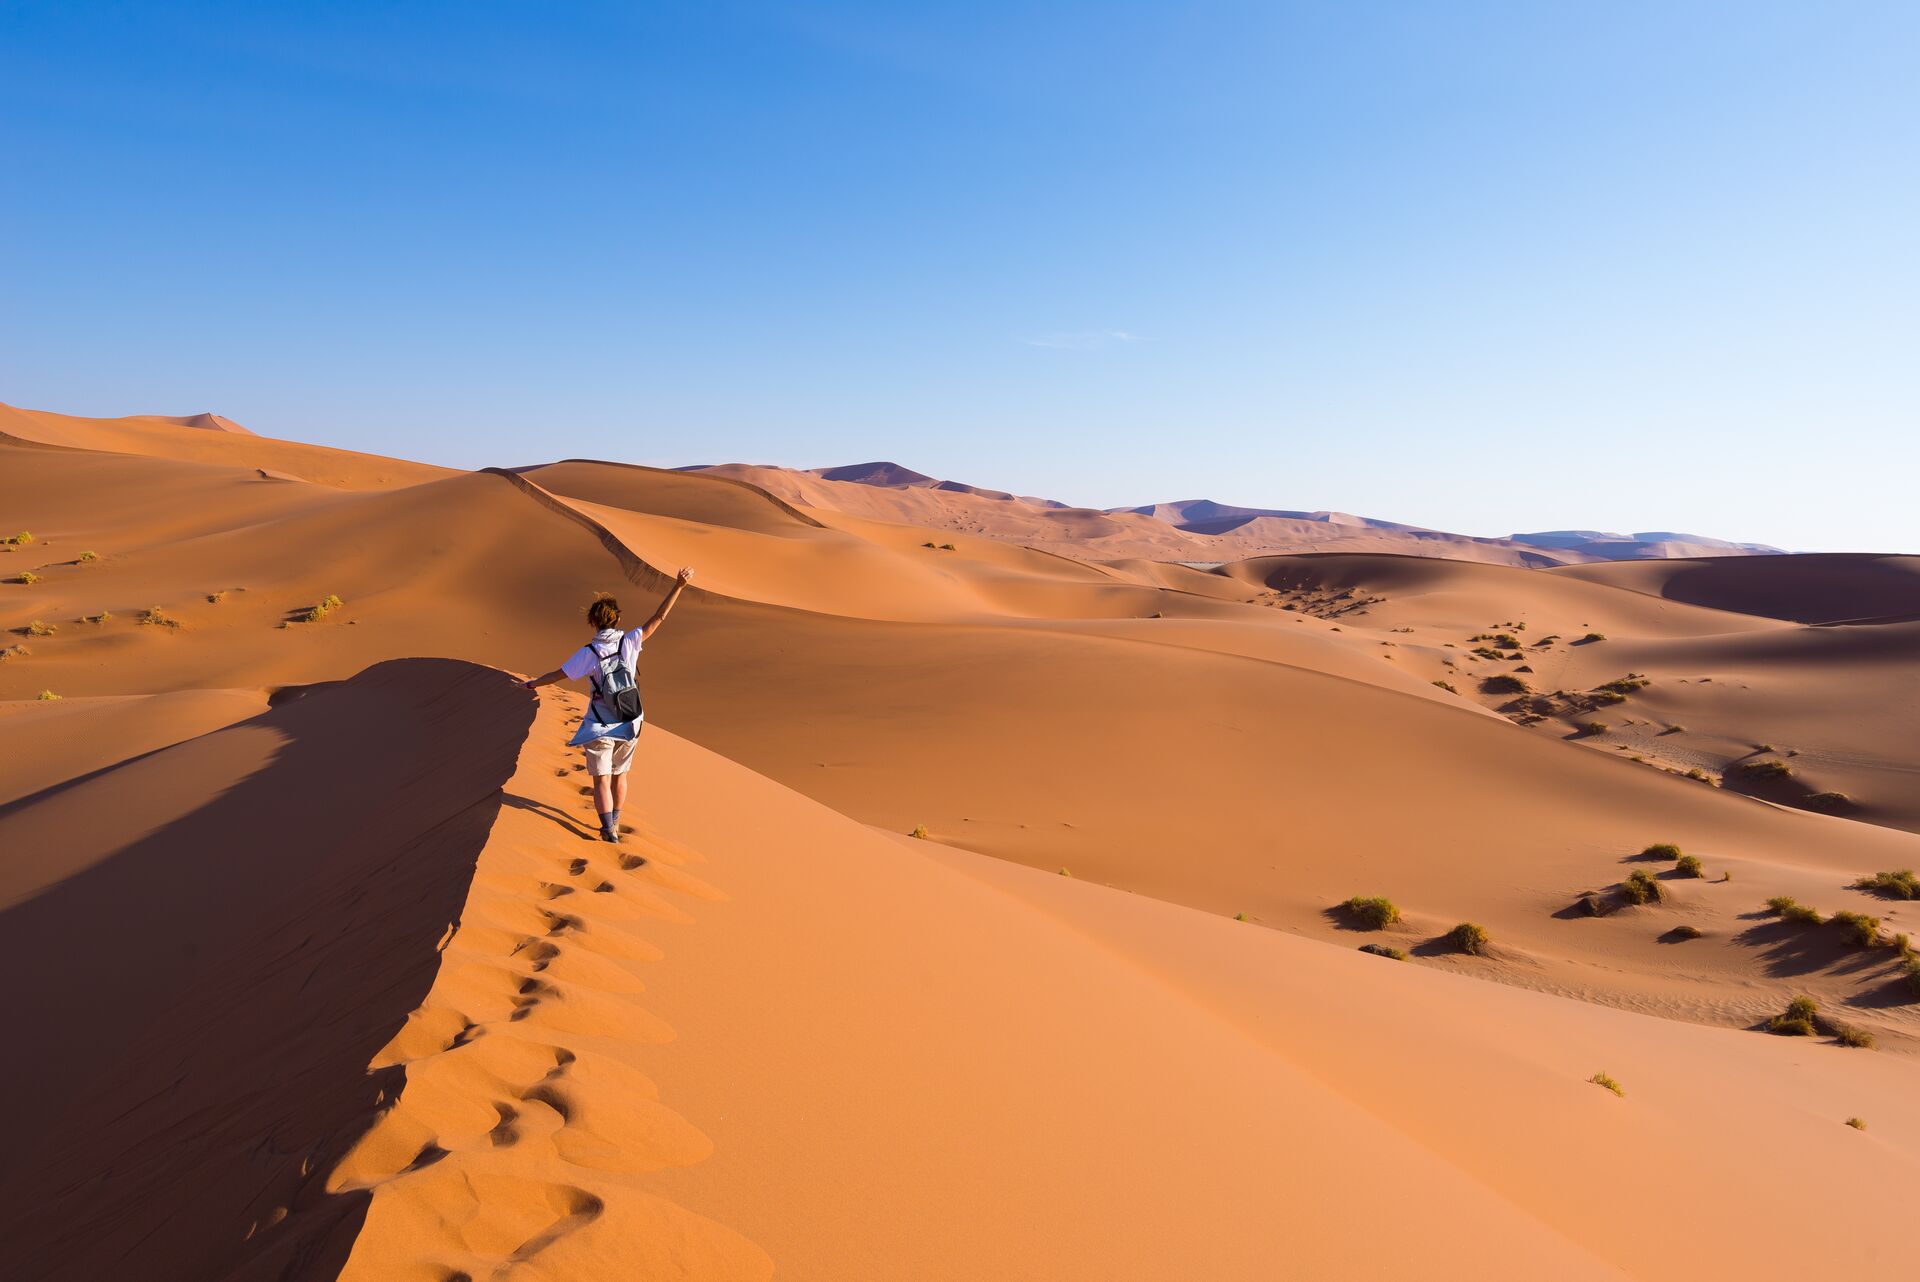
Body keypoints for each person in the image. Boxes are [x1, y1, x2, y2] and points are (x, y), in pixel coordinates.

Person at [521, 567, 695, 841]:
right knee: (620, 774)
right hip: (631, 718)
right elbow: (659, 617)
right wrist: (679, 586)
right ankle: (615, 820)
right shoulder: (630, 640)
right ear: (617, 618)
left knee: (601, 778)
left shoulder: (588, 653)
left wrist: (531, 684)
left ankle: (607, 829)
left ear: (593, 622)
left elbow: (558, 675)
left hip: (600, 723)